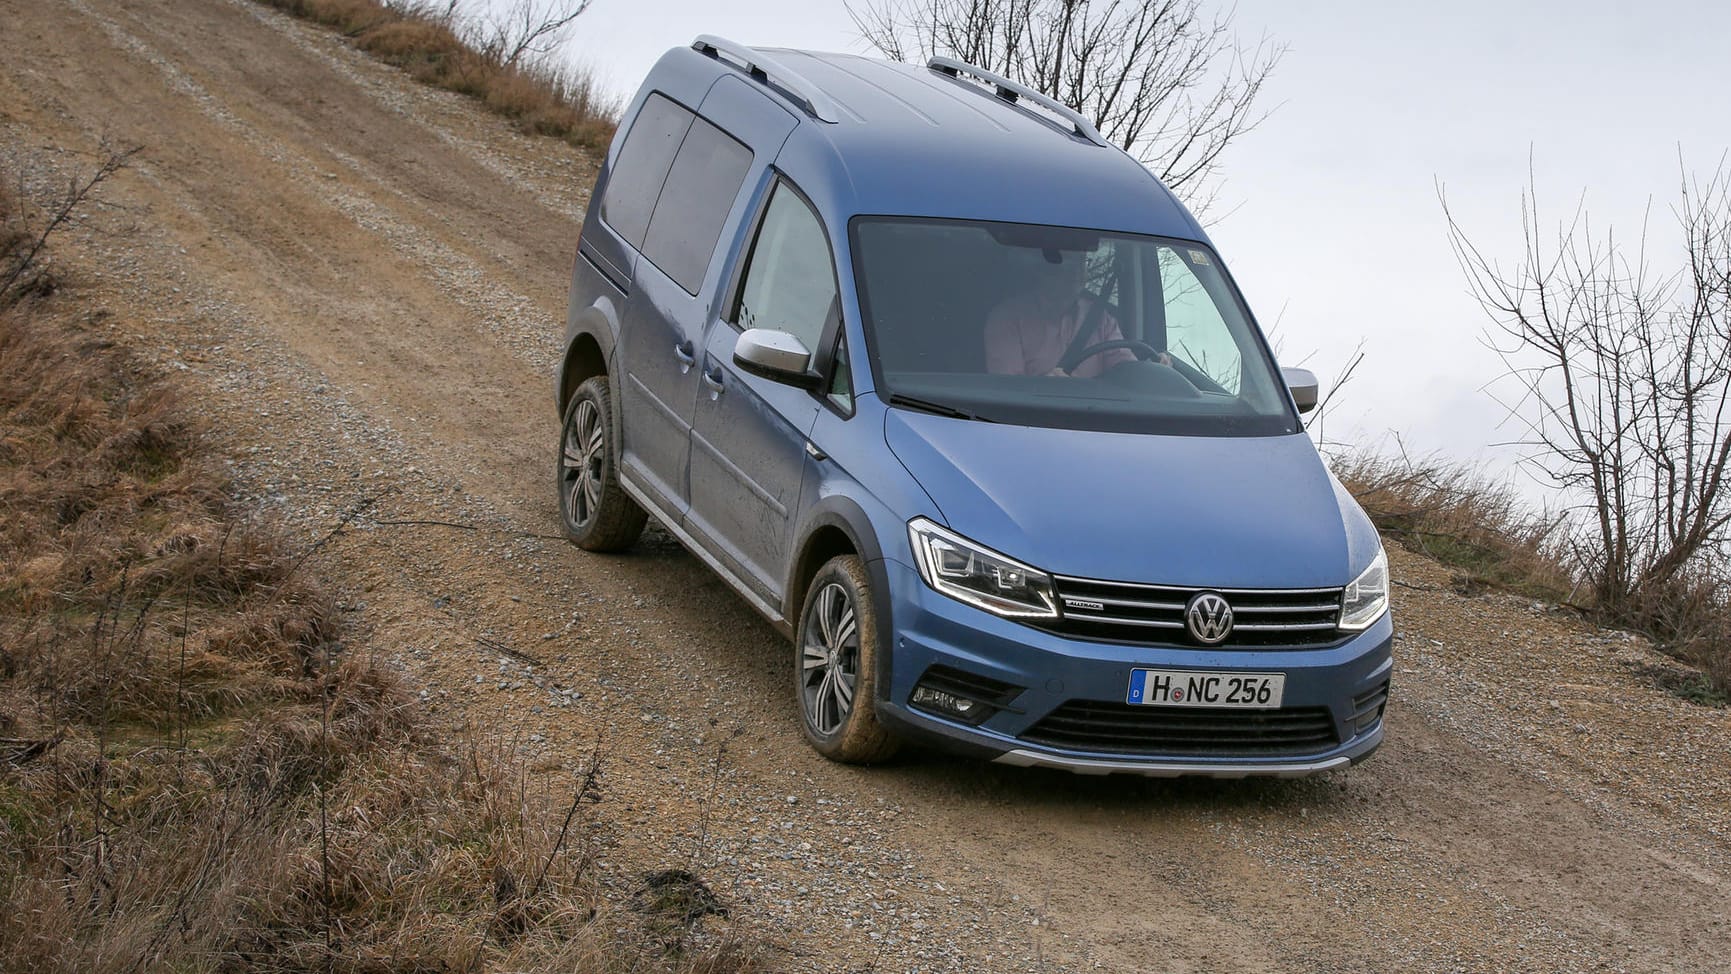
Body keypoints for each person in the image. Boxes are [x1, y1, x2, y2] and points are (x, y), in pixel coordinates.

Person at [983, 250, 1164, 377]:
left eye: (1082, 262)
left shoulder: (1102, 319)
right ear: (1042, 270)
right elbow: (1006, 387)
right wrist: (1043, 387)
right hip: (1031, 424)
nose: (1076, 272)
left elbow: (1125, 373)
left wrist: (1151, 372)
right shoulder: (1007, 319)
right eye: (1067, 263)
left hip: (1098, 420)